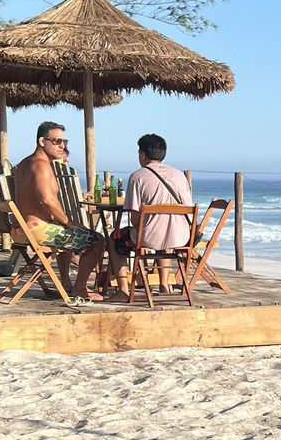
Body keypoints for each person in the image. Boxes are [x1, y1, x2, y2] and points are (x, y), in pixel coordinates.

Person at [12, 121, 107, 303]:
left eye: (65, 142)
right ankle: (80, 288)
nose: (62, 146)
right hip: (37, 229)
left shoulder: (24, 163)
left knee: (67, 236)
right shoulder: (41, 165)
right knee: (97, 241)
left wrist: (64, 224)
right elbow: (46, 199)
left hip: (21, 229)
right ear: (42, 141)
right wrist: (68, 222)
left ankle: (65, 284)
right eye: (57, 141)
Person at [107, 133, 193, 297]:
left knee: (114, 239)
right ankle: (164, 285)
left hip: (148, 239)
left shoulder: (138, 177)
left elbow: (135, 219)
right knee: (165, 238)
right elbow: (187, 208)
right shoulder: (179, 176)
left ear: (143, 154)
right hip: (181, 237)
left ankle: (124, 290)